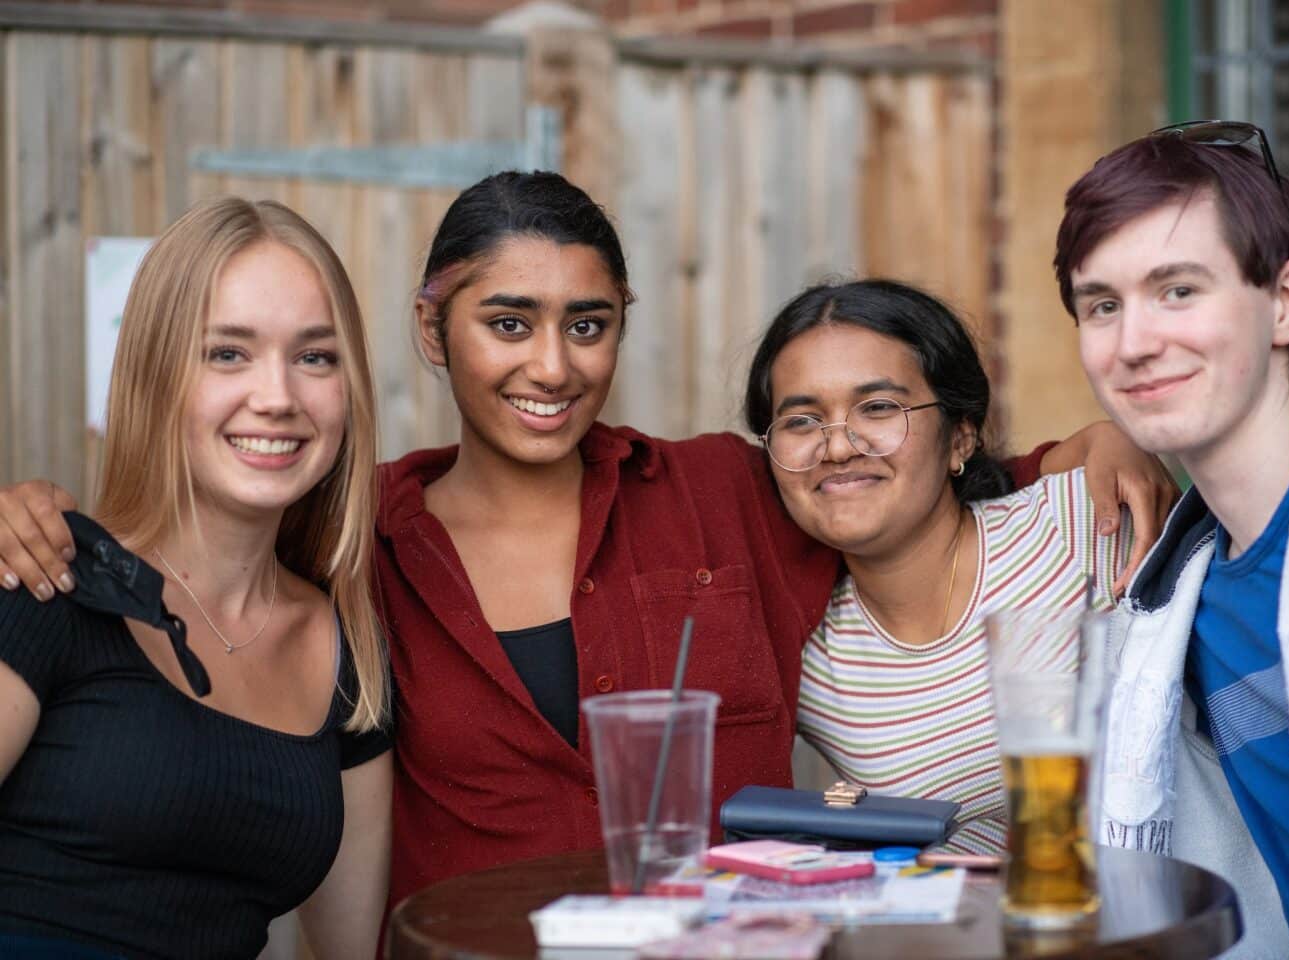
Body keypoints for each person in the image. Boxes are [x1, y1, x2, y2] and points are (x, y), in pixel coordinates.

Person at [0, 172, 1193, 911]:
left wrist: (1082, 452)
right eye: (507, 322)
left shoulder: (728, 493)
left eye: (588, 324)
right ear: (432, 329)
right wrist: (36, 513)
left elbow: (878, 476)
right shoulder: (353, 539)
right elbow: (201, 527)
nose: (551, 365)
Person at [1054, 121, 1289, 959]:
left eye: (1179, 291)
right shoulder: (1170, 601)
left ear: (1287, 302)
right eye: (1103, 305)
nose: (1134, 343)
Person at [0, 198, 393, 958]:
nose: (277, 397)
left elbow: (351, 953)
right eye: (228, 353)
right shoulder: (44, 579)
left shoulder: (354, 656)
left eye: (315, 356)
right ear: (156, 373)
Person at [745, 279, 1132, 854]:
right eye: (802, 420)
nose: (838, 446)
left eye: (877, 407)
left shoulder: (1076, 525)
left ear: (960, 437)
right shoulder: (814, 655)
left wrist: (1122, 441)